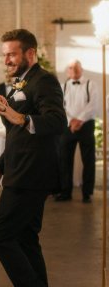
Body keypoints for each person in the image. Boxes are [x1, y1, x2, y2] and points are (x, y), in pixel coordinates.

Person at [0, 29, 67, 287]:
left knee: (0, 237)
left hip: (32, 175)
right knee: (25, 239)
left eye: (12, 53)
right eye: (5, 54)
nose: (6, 59)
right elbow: (16, 136)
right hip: (18, 169)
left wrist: (20, 117)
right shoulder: (21, 84)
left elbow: (57, 121)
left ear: (29, 54)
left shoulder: (43, 81)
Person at [55, 60, 98, 204]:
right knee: (64, 159)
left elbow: (93, 105)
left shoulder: (90, 84)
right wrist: (71, 121)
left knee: (89, 160)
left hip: (86, 125)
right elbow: (60, 106)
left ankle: (87, 193)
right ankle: (65, 192)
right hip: (68, 126)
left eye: (76, 67)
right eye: (70, 68)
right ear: (67, 71)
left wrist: (79, 120)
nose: (73, 70)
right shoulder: (63, 86)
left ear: (82, 69)